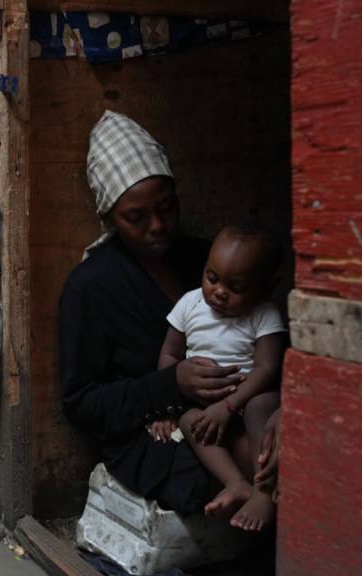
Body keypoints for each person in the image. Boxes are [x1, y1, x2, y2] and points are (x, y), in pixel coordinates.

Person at [60, 111, 245, 513]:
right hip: (150, 436)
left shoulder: (207, 262)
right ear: (109, 216)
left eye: (166, 208)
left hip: (236, 408)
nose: (158, 225)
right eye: (136, 217)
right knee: (227, 467)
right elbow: (81, 404)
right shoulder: (91, 287)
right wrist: (169, 385)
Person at [150, 225, 287, 531]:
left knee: (261, 406)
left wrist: (228, 406)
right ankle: (236, 483)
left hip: (245, 400)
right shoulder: (190, 303)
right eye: (212, 277)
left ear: (266, 287)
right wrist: (166, 406)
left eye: (237, 287)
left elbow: (267, 368)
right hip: (204, 404)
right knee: (188, 420)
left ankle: (263, 492)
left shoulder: (264, 314)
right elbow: (169, 357)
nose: (219, 291)